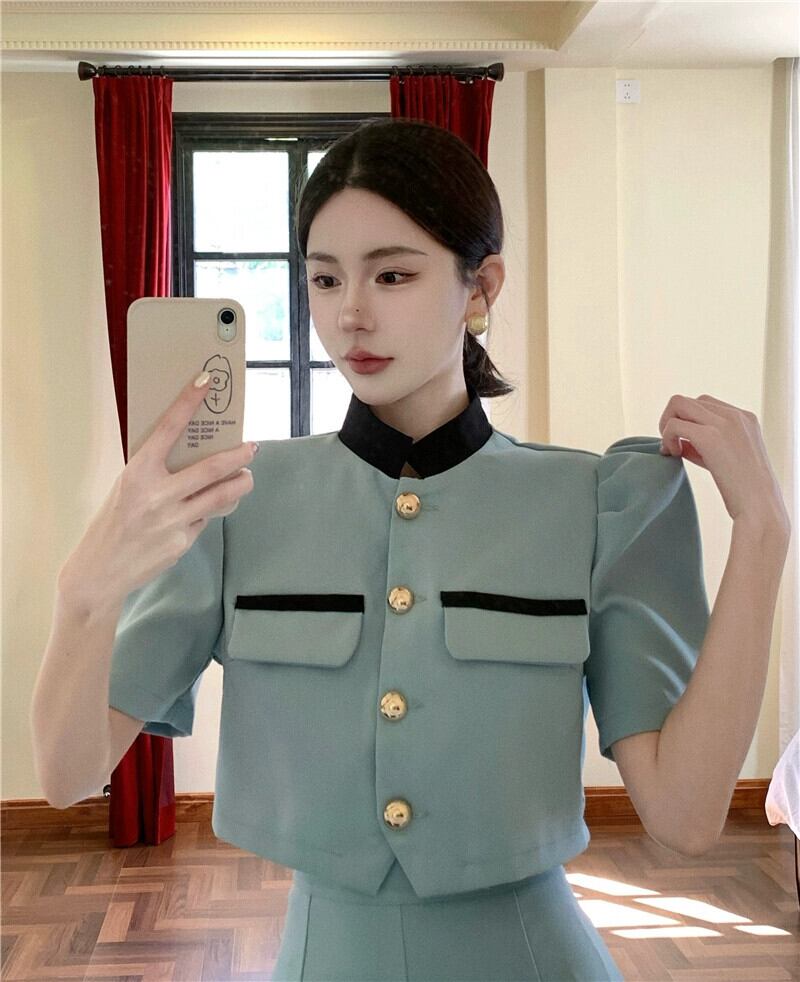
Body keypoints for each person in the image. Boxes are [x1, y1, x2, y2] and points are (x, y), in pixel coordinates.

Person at [34, 118, 788, 981]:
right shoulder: (236, 503)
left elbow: (685, 817)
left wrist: (764, 535)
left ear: (480, 286)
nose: (350, 313)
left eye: (392, 274)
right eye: (324, 278)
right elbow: (68, 774)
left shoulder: (600, 503)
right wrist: (83, 594)